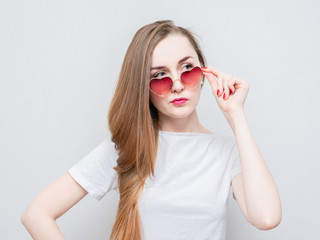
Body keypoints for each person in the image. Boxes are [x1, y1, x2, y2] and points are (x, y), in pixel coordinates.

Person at [21, 20, 282, 240]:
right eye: (159, 76)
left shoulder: (227, 151)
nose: (178, 85)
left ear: (205, 71)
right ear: (143, 87)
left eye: (188, 69)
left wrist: (236, 116)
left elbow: (267, 217)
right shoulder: (126, 149)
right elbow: (36, 214)